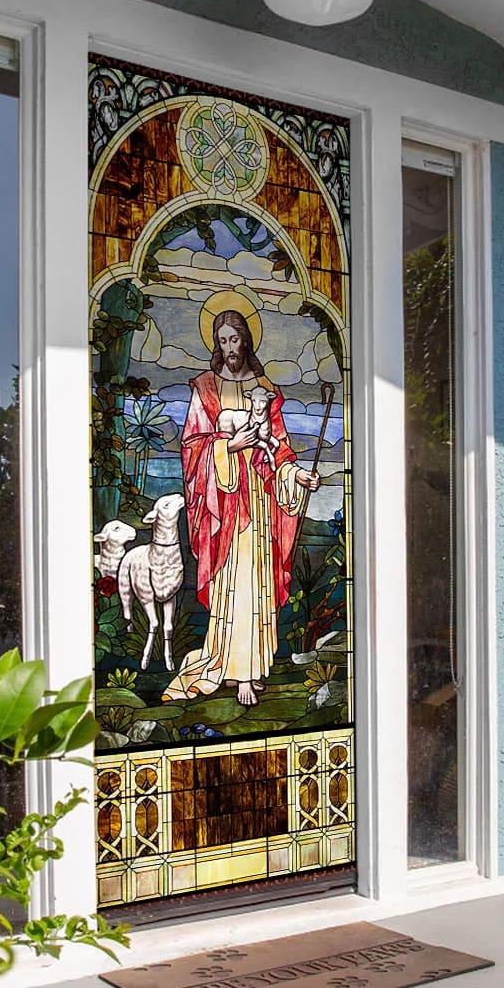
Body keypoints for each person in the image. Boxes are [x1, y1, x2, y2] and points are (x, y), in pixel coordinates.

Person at [163, 296, 319, 706]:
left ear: (247, 340)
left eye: (234, 339)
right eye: (222, 341)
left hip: (261, 500)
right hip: (225, 500)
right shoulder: (205, 389)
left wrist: (298, 475)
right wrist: (230, 446)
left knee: (257, 580)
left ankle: (251, 666)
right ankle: (236, 671)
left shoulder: (267, 391)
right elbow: (192, 447)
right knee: (235, 581)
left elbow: (280, 449)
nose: (229, 347)